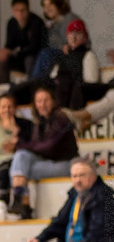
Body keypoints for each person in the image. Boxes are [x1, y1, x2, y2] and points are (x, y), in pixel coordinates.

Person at [6, 84, 79, 219]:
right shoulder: (40, 122)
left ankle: (22, 202)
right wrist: (20, 144)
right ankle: (22, 203)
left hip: (66, 164)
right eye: (39, 101)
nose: (42, 104)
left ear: (53, 101)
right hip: (48, 162)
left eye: (46, 100)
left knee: (18, 169)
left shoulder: (61, 118)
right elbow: (35, 147)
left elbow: (48, 147)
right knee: (21, 157)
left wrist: (19, 144)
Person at [6, 19, 100, 108]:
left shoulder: (88, 55)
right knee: (20, 89)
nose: (74, 37)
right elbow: (54, 74)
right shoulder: (65, 54)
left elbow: (90, 83)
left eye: (78, 34)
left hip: (66, 90)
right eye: (71, 33)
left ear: (84, 38)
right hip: (54, 86)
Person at [30, 0, 81, 79]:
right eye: (45, 6)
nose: (47, 9)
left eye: (50, 4)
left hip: (70, 53)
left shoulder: (70, 18)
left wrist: (68, 45)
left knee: (45, 54)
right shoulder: (51, 25)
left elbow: (76, 40)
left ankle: (34, 82)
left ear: (58, 4)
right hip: (56, 53)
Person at [0, 0, 46, 84]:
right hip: (18, 53)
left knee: (29, 60)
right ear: (13, 10)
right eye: (17, 10)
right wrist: (6, 51)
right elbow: (10, 43)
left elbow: (35, 45)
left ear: (28, 9)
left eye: (23, 10)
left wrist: (16, 52)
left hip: (33, 53)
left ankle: (29, 84)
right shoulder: (12, 22)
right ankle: (4, 85)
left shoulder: (36, 22)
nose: (20, 13)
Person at [0, 93, 32, 207]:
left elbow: (30, 146)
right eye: (3, 107)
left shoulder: (25, 125)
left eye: (10, 107)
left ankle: (10, 202)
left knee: (9, 168)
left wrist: (15, 131)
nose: (6, 110)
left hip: (14, 162)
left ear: (15, 108)